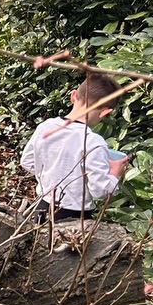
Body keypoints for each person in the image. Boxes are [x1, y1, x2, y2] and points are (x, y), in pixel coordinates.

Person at [21, 73, 129, 222]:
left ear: (73, 96)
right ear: (105, 112)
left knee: (38, 243)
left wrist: (52, 174)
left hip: (43, 206)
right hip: (75, 216)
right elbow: (100, 191)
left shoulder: (46, 126)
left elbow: (27, 161)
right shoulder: (93, 142)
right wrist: (114, 174)